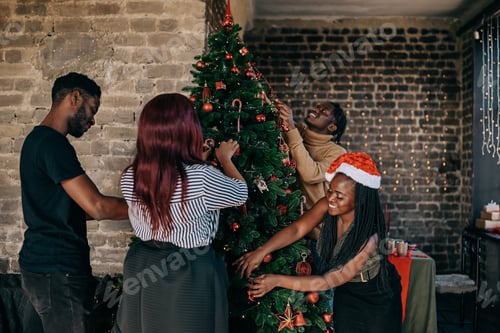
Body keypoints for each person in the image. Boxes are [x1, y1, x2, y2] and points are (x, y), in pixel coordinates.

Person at [112, 93, 248, 333]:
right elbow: (240, 193)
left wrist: (198, 162)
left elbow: (170, 186)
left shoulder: (131, 175)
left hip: (144, 263)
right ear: (187, 130)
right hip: (189, 269)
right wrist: (224, 159)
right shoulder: (202, 177)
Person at [235, 152, 402, 333]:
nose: (330, 198)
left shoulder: (369, 241)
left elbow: (326, 281)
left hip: (376, 298)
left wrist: (276, 280)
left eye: (339, 196)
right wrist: (262, 250)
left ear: (360, 200)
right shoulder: (328, 205)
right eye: (330, 190)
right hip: (347, 290)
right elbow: (298, 229)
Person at [19, 72, 129, 333]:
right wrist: (151, 208)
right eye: (92, 109)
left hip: (36, 268)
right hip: (58, 274)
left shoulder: (35, 141)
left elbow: (73, 208)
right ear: (75, 97)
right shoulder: (53, 145)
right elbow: (96, 206)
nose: (93, 120)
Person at [276, 100, 347, 272]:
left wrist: (292, 129)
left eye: (324, 111)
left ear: (331, 127)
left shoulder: (337, 153)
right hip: (286, 229)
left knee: (318, 293)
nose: (317, 109)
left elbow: (310, 174)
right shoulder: (296, 131)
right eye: (317, 106)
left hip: (317, 240)